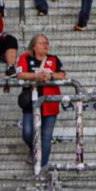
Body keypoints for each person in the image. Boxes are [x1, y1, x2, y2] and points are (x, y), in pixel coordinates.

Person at [17, 34, 67, 168]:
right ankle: (35, 151)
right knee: (27, 132)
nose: (46, 45)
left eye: (47, 42)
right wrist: (36, 76)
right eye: (42, 42)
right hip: (31, 104)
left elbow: (62, 75)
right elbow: (20, 74)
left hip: (50, 103)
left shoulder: (53, 59)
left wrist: (50, 75)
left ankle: (42, 168)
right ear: (34, 46)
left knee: (45, 137)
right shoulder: (25, 58)